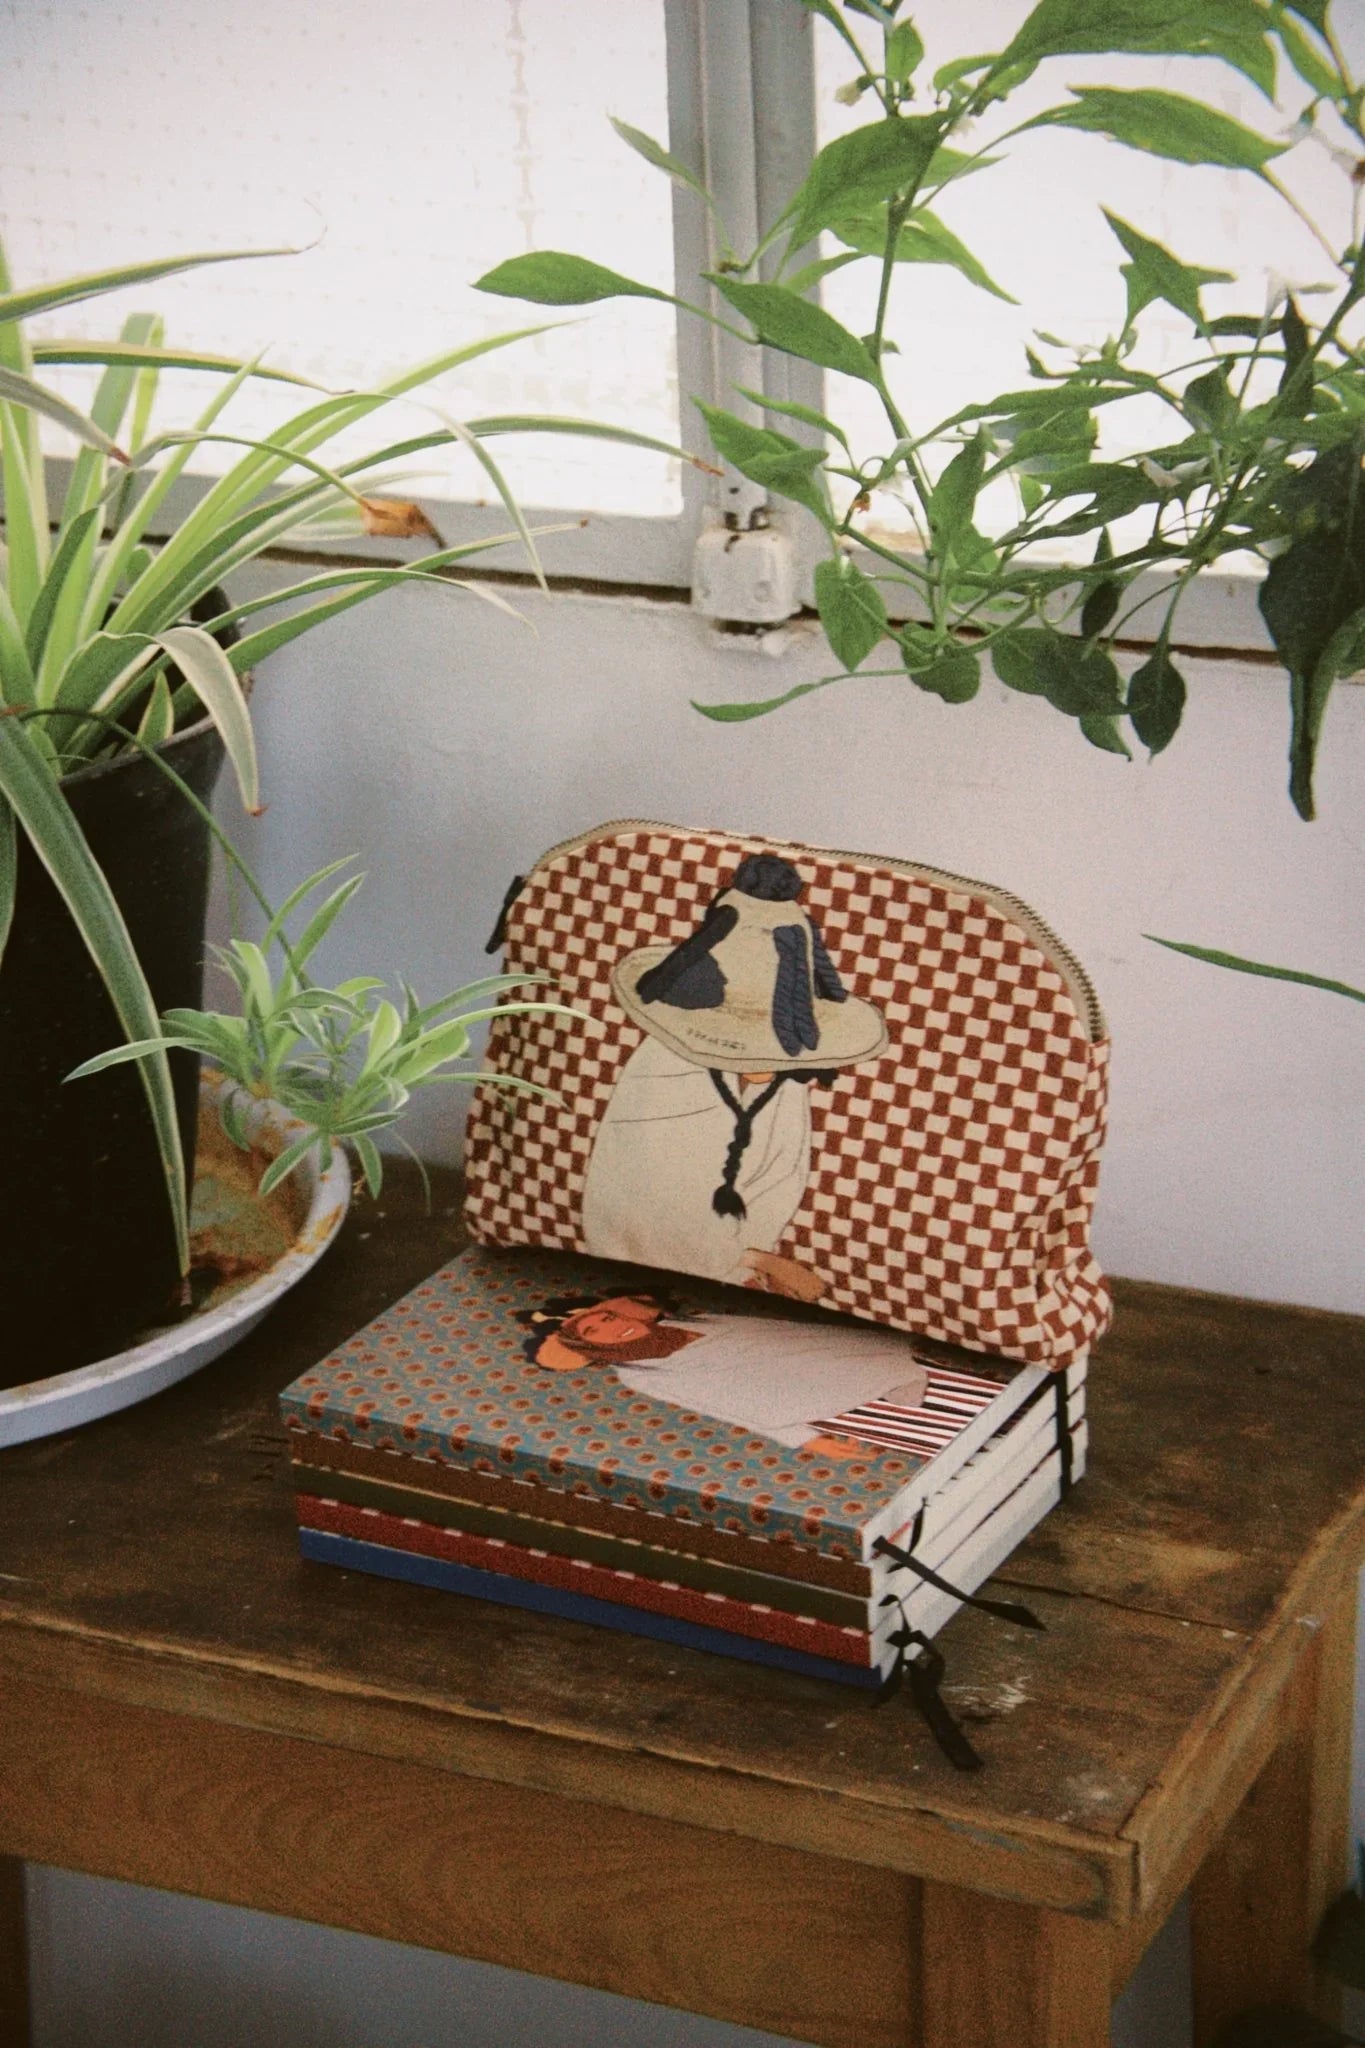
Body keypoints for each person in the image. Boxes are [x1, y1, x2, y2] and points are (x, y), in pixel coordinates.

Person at [581, 853, 888, 1301]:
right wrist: (755, 1262)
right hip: (638, 1275)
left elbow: (781, 1180)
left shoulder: (786, 1084)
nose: (765, 1063)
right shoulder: (661, 1070)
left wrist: (756, 1258)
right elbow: (635, 1205)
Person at [520, 1292, 929, 1459]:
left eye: (608, 1317)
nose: (614, 1328)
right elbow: (721, 1406)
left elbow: (781, 1333)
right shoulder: (641, 1377)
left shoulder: (700, 1318)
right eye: (596, 1332)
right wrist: (806, 1439)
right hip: (796, 1391)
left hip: (840, 1353)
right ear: (594, 1350)